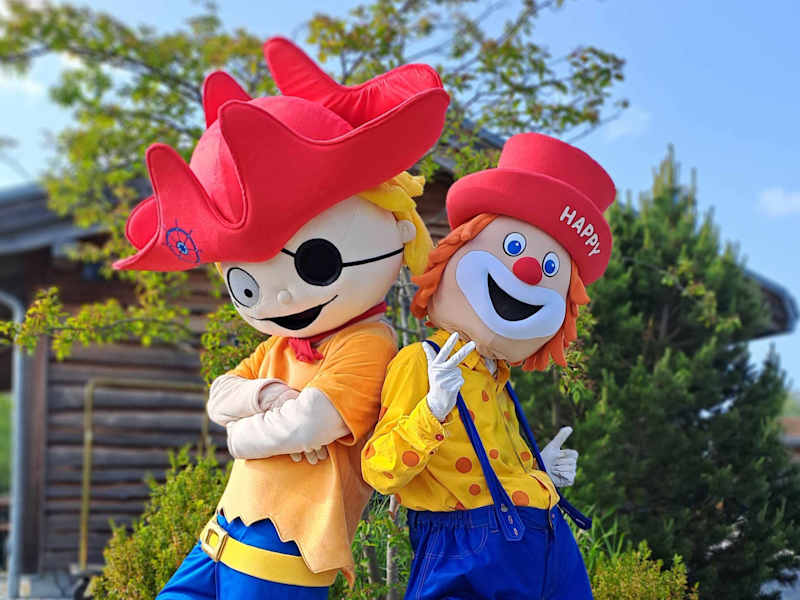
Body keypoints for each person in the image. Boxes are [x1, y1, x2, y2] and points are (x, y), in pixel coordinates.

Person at [114, 37, 447, 599]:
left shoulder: (366, 341)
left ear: (396, 223)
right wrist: (268, 396)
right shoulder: (278, 348)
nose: (284, 295)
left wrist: (241, 437)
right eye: (247, 283)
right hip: (221, 532)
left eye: (314, 261)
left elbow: (311, 422)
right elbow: (220, 395)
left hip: (288, 547)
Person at [362, 132, 615, 599]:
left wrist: (539, 472)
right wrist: (433, 410)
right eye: (513, 246)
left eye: (551, 270)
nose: (529, 272)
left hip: (545, 538)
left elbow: (491, 468)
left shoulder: (500, 379)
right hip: (468, 548)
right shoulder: (422, 362)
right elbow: (380, 470)